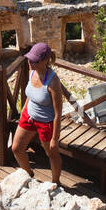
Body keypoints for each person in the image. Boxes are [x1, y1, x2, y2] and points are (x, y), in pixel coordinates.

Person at [12, 42, 66, 184]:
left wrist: (55, 138)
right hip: (28, 116)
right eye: (29, 59)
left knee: (52, 154)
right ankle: (29, 174)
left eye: (33, 60)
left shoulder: (53, 82)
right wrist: (24, 111)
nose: (30, 62)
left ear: (44, 61)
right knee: (16, 148)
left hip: (46, 122)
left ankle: (56, 183)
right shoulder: (32, 72)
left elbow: (57, 113)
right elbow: (30, 95)